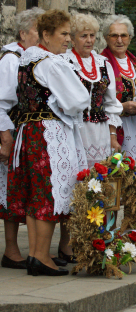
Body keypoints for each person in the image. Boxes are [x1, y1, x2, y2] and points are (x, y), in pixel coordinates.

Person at [1, 9, 91, 276]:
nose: (68, 39)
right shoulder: (51, 63)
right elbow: (78, 100)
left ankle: (33, 254)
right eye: (63, 34)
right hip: (49, 132)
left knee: (35, 194)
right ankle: (41, 256)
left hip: (30, 131)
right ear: (46, 34)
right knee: (49, 195)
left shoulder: (25, 60)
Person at [0, 7, 44, 270]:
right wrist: (5, 136)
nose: (42, 36)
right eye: (38, 31)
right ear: (24, 32)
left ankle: (30, 249)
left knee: (24, 190)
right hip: (13, 129)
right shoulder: (11, 59)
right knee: (10, 190)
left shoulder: (34, 58)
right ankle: (11, 248)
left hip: (27, 132)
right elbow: (1, 101)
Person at [101, 14, 136, 195]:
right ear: (106, 38)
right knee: (116, 180)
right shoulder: (102, 63)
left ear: (129, 38)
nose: (119, 40)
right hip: (115, 127)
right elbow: (99, 99)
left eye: (123, 35)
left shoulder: (135, 63)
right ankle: (114, 222)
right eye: (114, 35)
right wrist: (122, 107)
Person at [64, 13, 123, 169]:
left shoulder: (103, 64)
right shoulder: (64, 62)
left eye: (92, 35)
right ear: (72, 38)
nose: (89, 40)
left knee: (100, 176)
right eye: (84, 36)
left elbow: (110, 103)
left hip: (100, 132)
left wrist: (112, 135)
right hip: (75, 130)